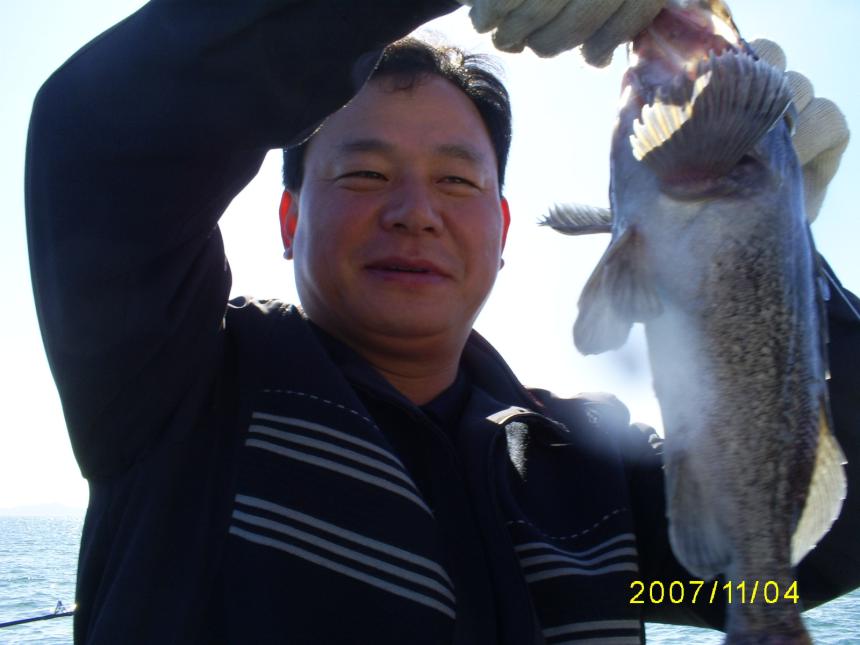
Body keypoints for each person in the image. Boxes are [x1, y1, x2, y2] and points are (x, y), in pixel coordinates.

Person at [24, 1, 859, 644]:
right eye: (364, 173)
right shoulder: (171, 391)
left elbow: (818, 548)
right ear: (288, 219)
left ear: (502, 230)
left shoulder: (598, 475)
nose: (415, 211)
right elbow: (102, 139)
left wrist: (776, 241)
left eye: (457, 181)